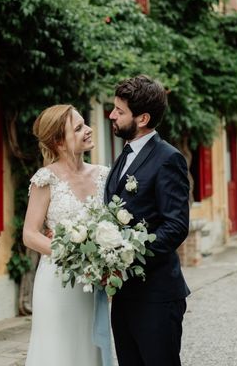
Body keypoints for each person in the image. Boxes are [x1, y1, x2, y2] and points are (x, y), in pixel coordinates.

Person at [106, 75, 190, 366]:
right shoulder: (124, 155)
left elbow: (176, 226)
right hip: (124, 294)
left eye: (119, 111)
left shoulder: (168, 158)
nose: (111, 115)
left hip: (156, 295)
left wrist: (129, 257)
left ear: (142, 118)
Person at [23, 104, 110, 366]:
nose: (89, 129)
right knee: (58, 352)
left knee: (89, 348)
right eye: (79, 127)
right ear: (59, 141)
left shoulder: (104, 175)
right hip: (58, 281)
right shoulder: (46, 179)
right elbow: (30, 234)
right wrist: (71, 255)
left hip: (92, 283)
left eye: (85, 123)